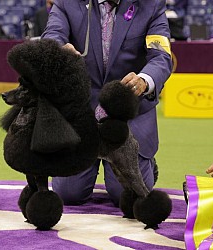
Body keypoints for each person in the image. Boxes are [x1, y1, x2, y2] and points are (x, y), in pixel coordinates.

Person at [42, 0, 173, 206]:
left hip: (127, 112)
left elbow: (161, 57)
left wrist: (144, 80)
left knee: (125, 194)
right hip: (81, 113)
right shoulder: (67, 3)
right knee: (68, 194)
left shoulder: (152, 5)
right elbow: (52, 35)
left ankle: (146, 162)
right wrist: (58, 50)